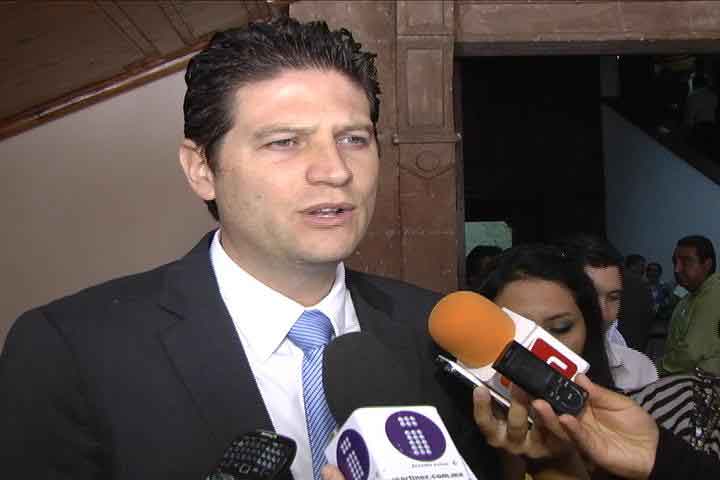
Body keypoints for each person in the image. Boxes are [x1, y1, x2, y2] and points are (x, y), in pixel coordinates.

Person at [0, 18, 499, 479]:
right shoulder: (71, 350)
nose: (335, 170)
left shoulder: (437, 330)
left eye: (353, 138)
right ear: (201, 169)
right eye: (284, 142)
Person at [474, 244, 615, 478]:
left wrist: (558, 460)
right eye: (517, 331)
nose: (538, 350)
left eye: (561, 328)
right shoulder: (453, 419)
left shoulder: (621, 425)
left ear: (589, 329)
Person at [555, 234, 658, 390]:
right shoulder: (528, 369)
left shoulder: (640, 370)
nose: (602, 313)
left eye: (613, 297)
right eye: (590, 297)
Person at [662, 235, 720, 376]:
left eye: (686, 261)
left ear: (707, 264)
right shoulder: (690, 296)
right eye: (675, 262)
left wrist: (652, 370)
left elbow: (690, 354)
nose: (677, 269)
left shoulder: (715, 293)